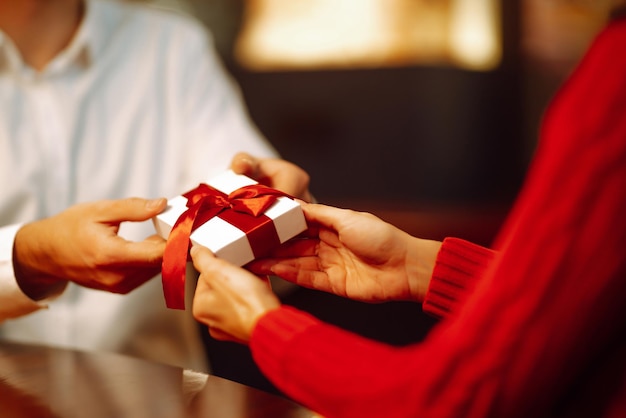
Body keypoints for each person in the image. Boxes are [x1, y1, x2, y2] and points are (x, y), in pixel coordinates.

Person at [189, 9, 626, 418]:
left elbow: (451, 401)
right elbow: (590, 321)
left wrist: (265, 329)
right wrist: (419, 265)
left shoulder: (614, 79)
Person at [0, 0, 310, 372]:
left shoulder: (172, 47)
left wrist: (276, 216)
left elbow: (244, 185)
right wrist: (30, 255)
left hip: (162, 396)